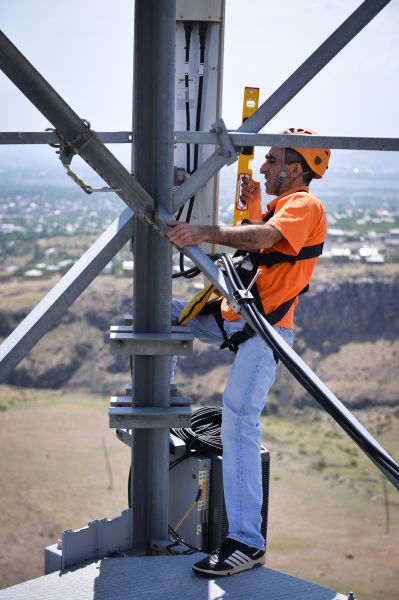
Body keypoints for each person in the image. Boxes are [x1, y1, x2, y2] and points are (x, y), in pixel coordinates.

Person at [167, 127, 330, 578]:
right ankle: (161, 410)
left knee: (238, 420)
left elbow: (263, 241)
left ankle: (246, 542)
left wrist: (200, 231)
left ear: (295, 169)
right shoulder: (281, 205)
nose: (263, 165)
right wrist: (254, 203)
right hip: (236, 316)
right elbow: (259, 241)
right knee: (159, 313)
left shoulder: (304, 205)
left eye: (272, 160)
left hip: (265, 330)